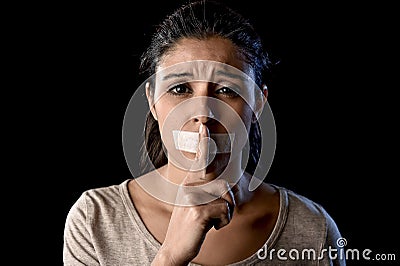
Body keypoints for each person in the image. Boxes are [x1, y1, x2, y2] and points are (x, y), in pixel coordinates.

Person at [63, 0, 346, 265]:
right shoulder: (95, 220)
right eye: (180, 89)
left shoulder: (313, 229)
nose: (203, 113)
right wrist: (171, 255)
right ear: (152, 101)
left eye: (226, 90)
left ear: (258, 104)